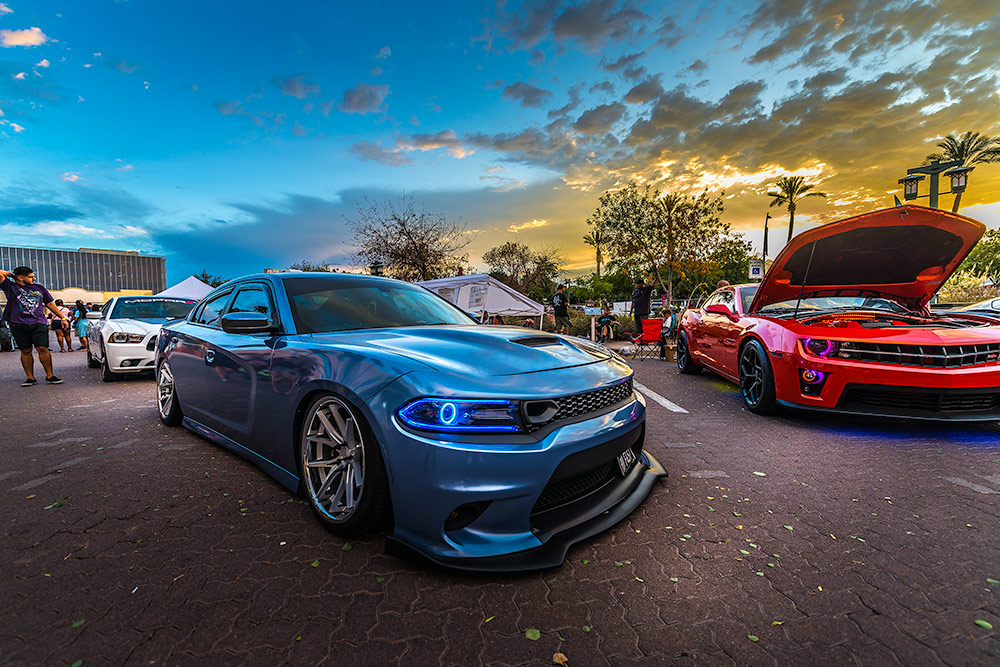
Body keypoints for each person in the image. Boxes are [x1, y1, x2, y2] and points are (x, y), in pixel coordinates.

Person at [0, 266, 66, 385]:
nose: (34, 278)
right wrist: (12, 276)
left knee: (42, 348)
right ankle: (30, 378)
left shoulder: (39, 288)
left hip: (38, 323)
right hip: (18, 324)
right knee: (25, 350)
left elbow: (50, 304)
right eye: (30, 277)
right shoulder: (10, 287)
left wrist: (62, 317)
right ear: (20, 278)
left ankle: (50, 375)